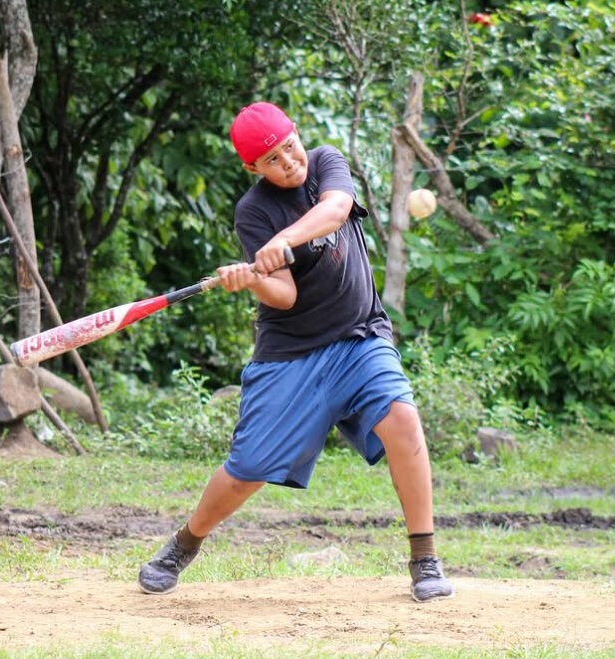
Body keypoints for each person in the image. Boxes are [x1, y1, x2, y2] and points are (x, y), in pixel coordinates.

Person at [138, 101, 453, 603]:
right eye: (272, 160)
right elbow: (284, 296)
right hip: (292, 356)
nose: (288, 162)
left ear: (298, 136)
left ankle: (424, 556)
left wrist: (282, 241)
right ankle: (185, 542)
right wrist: (254, 277)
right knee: (247, 470)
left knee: (402, 419)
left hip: (360, 337)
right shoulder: (254, 210)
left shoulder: (327, 162)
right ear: (253, 169)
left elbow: (336, 210)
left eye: (290, 147)